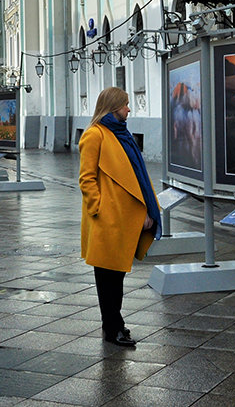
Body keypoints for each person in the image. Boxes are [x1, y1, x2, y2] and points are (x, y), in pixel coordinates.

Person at [78, 87, 162, 348]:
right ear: (113, 107)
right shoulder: (95, 135)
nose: (129, 109)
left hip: (124, 219)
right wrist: (99, 209)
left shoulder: (122, 135)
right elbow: (86, 178)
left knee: (117, 276)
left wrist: (147, 210)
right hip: (107, 220)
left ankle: (114, 324)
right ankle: (112, 327)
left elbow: (138, 177)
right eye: (125, 105)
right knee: (107, 278)